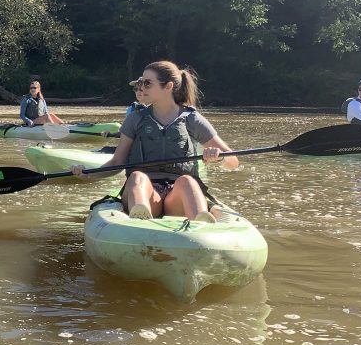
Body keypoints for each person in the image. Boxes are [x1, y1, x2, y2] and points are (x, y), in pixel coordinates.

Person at [72, 61, 237, 223]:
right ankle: (140, 222)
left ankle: (201, 226)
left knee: (187, 181)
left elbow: (233, 161)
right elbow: (117, 162)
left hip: (177, 198)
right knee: (137, 177)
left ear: (168, 86)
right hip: (147, 194)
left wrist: (220, 157)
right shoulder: (135, 119)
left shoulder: (193, 119)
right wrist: (89, 174)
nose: (141, 87)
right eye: (141, 82)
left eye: (147, 83)